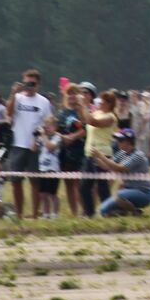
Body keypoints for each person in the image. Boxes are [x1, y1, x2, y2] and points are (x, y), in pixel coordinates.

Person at [6, 69, 52, 220]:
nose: (30, 86)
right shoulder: (18, 98)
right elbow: (9, 113)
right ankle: (19, 214)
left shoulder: (43, 102)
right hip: (18, 144)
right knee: (16, 181)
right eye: (27, 83)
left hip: (34, 146)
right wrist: (13, 94)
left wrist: (38, 140)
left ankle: (34, 215)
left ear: (38, 84)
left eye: (33, 83)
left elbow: (47, 124)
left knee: (35, 182)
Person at [74, 87, 117, 215]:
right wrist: (80, 106)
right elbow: (85, 120)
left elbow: (93, 122)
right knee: (84, 187)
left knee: (102, 187)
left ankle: (107, 212)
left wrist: (83, 104)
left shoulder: (110, 117)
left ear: (109, 104)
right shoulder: (97, 112)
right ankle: (89, 212)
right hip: (90, 154)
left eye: (103, 101)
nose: (100, 103)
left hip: (102, 155)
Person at [91, 128, 150, 216]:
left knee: (119, 196)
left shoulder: (138, 155)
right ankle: (124, 211)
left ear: (128, 142)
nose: (117, 142)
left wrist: (100, 156)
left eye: (120, 140)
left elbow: (120, 168)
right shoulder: (121, 153)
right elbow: (107, 166)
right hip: (127, 192)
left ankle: (135, 212)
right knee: (102, 211)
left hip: (144, 193)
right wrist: (95, 158)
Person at [55, 83, 85, 219]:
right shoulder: (62, 112)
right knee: (68, 183)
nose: (72, 95)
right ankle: (74, 213)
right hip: (65, 151)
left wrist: (73, 137)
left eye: (74, 93)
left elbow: (86, 128)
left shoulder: (81, 111)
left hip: (79, 150)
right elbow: (56, 130)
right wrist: (63, 137)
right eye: (69, 93)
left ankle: (85, 211)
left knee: (79, 183)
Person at [36, 125, 61, 219]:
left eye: (49, 126)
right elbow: (33, 148)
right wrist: (35, 137)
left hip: (53, 169)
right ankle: (46, 213)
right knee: (43, 194)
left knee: (52, 193)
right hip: (42, 168)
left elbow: (51, 147)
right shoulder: (42, 137)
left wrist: (43, 136)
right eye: (45, 127)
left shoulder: (57, 137)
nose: (47, 129)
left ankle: (55, 213)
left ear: (54, 127)